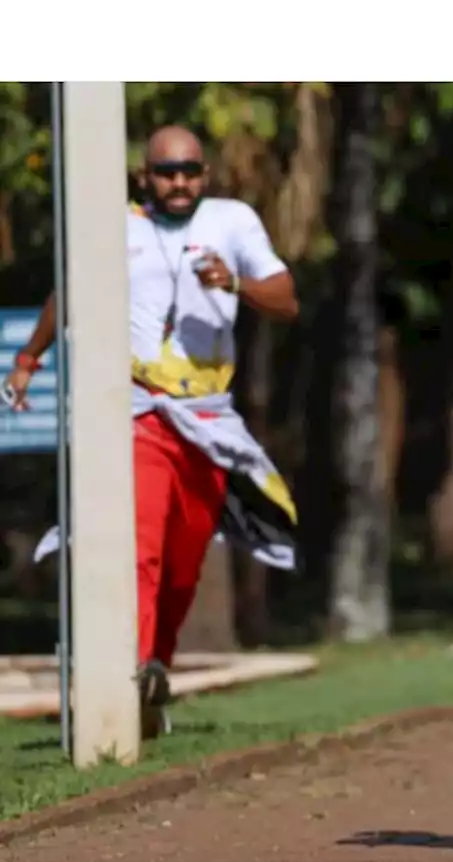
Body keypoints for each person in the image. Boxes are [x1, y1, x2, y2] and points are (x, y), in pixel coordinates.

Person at [5, 125, 301, 738]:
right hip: (140, 411)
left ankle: (153, 675)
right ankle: (135, 667)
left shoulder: (233, 220)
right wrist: (31, 356)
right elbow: (73, 291)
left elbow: (286, 300)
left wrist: (235, 283)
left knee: (183, 565)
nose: (179, 182)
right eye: (167, 172)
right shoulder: (115, 224)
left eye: (190, 170)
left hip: (208, 419)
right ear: (145, 177)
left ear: (206, 174)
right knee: (140, 547)